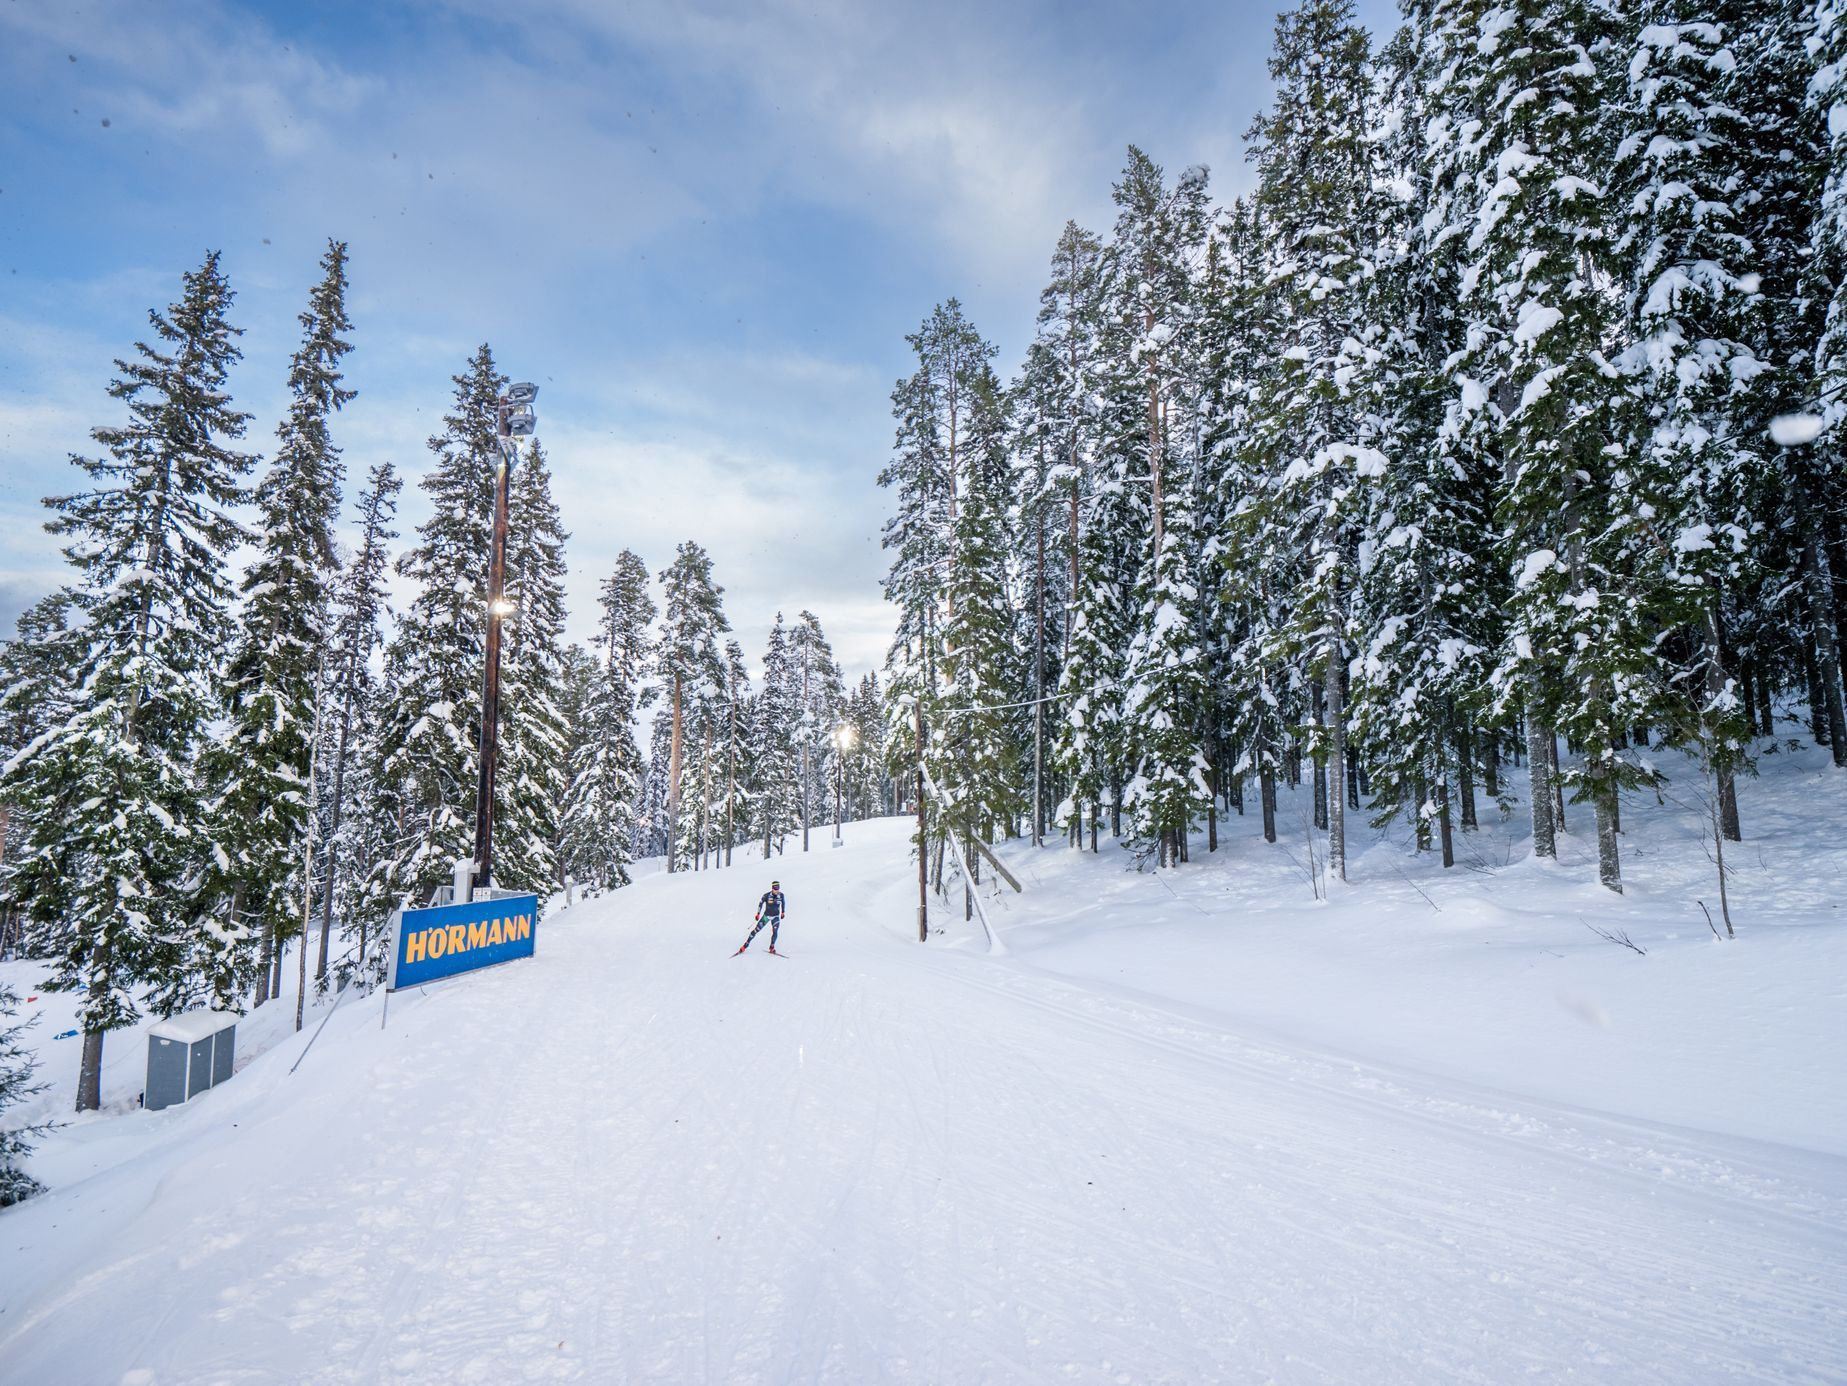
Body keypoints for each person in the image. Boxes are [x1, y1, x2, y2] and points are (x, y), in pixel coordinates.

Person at [734, 881, 787, 955]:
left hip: (775, 917)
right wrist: (758, 914)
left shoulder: (781, 895)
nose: (777, 890)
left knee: (775, 932)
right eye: (775, 888)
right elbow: (760, 904)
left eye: (778, 888)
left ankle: (772, 947)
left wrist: (783, 912)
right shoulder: (766, 895)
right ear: (772, 888)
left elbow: (783, 903)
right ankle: (745, 945)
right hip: (766, 916)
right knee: (756, 930)